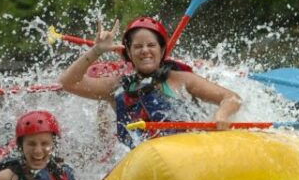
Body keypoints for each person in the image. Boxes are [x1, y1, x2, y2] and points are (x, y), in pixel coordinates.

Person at [58, 17, 242, 146]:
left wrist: (222, 116)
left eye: (151, 45)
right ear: (128, 53)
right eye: (137, 46)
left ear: (162, 50)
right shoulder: (116, 86)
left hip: (184, 155)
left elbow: (232, 97)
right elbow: (68, 83)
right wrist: (97, 51)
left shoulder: (182, 80)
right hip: (142, 165)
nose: (145, 50)